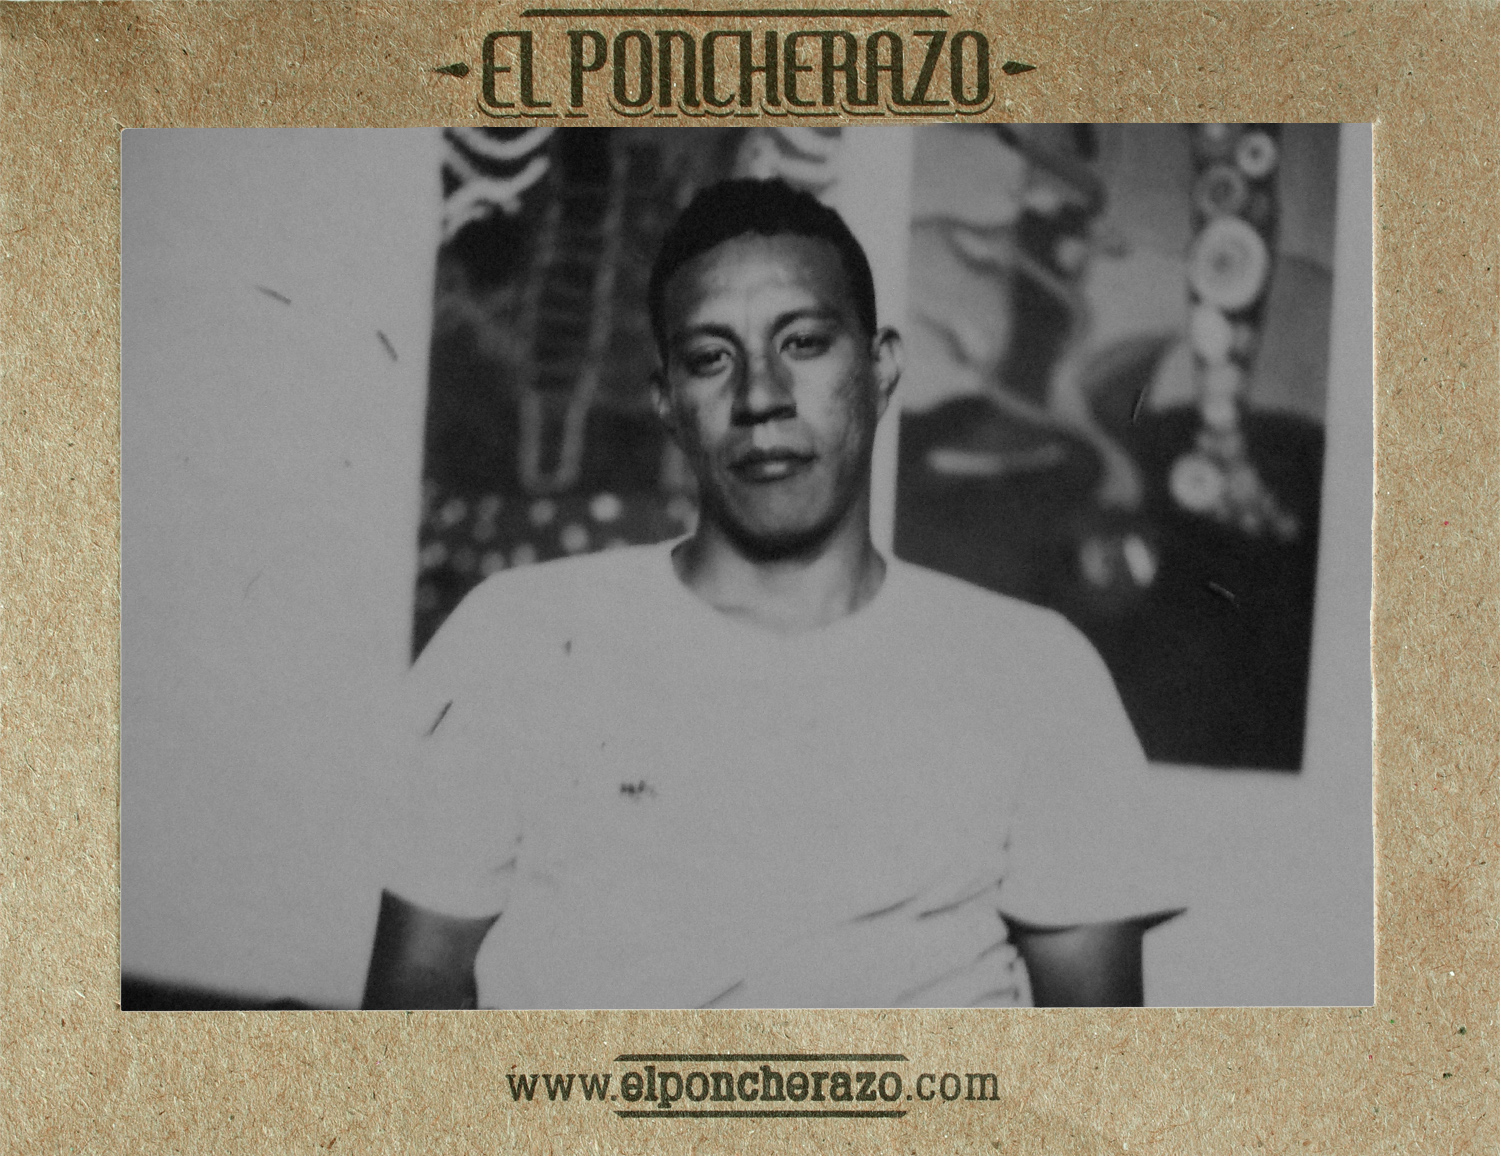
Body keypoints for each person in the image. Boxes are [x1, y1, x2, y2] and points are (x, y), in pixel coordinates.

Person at [363, 178, 1183, 1010]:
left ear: (881, 370)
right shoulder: (518, 635)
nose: (760, 396)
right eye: (710, 358)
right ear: (666, 402)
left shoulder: (1033, 670)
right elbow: (405, 1016)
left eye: (804, 343)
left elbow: (1099, 1065)